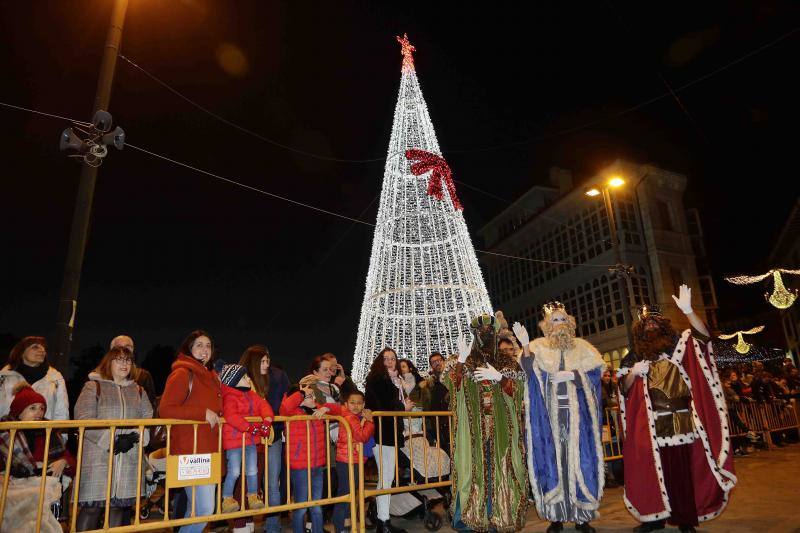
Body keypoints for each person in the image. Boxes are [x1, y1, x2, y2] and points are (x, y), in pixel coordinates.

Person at [618, 285, 736, 533]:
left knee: (681, 472)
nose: (651, 326)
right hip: (648, 427)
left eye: (655, 322)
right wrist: (632, 374)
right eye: (646, 323)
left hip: (682, 420)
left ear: (664, 325)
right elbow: (623, 389)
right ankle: (654, 517)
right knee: (650, 471)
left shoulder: (680, 346)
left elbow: (704, 337)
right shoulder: (633, 357)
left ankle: (684, 519)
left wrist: (689, 311)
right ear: (639, 329)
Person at [513, 302, 605, 533]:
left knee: (579, 463)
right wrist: (525, 346)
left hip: (579, 420)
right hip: (550, 421)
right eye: (554, 320)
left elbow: (595, 376)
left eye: (563, 319)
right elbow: (528, 373)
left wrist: (572, 375)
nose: (559, 324)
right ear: (546, 326)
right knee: (554, 463)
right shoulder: (538, 347)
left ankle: (582, 517)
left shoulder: (584, 348)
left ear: (570, 323)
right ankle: (556, 517)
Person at [443, 313, 529, 532]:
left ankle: (499, 514)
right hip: (474, 431)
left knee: (501, 468)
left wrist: (500, 378)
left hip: (501, 429)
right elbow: (453, 388)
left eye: (489, 331)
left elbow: (519, 391)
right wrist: (461, 362)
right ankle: (474, 516)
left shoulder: (506, 361)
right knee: (474, 469)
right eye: (480, 332)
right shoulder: (466, 360)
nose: (485, 335)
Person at [73, 346, 154, 530]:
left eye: (128, 360)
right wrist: (111, 440)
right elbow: (83, 417)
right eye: (119, 359)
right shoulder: (94, 386)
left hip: (128, 458)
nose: (124, 364)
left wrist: (135, 437)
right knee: (92, 509)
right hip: (98, 456)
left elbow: (147, 416)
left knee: (118, 508)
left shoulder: (138, 390)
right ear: (108, 362)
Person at [158, 330, 223, 533]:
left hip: (208, 449)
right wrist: (202, 413)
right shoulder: (183, 373)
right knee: (204, 509)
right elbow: (166, 409)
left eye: (208, 346)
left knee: (196, 510)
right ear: (189, 349)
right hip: (190, 450)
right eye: (199, 345)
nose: (204, 350)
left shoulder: (211, 376)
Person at [0, 383, 76, 532]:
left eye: (42, 408)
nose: (39, 413)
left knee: (41, 496)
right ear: (19, 412)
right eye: (32, 408)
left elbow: (72, 461)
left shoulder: (49, 432)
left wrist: (64, 462)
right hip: (12, 482)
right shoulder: (5, 432)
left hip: (40, 483)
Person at [239, 345, 289, 533]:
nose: (267, 364)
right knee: (247, 480)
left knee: (272, 483)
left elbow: (285, 401)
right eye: (262, 361)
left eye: (268, 360)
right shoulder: (242, 377)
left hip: (272, 436)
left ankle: (273, 526)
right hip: (249, 436)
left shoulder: (278, 376)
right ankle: (244, 523)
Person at [280, 384, 342, 533]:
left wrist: (325, 408)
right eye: (309, 396)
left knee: (317, 506)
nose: (313, 398)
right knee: (301, 507)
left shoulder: (316, 410)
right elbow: (285, 407)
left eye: (313, 395)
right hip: (300, 467)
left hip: (317, 465)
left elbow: (340, 410)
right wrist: (301, 394)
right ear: (299, 398)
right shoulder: (291, 413)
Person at [217, 361, 273, 514]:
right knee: (234, 470)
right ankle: (227, 498)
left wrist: (267, 420)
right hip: (234, 441)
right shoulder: (229, 397)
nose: (249, 379)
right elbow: (231, 416)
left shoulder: (251, 395)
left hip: (250, 440)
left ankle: (253, 496)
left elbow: (263, 405)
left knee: (252, 469)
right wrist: (249, 427)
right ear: (234, 381)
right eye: (244, 377)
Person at [364, 348, 410, 533]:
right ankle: (383, 521)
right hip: (383, 433)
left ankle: (384, 519)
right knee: (385, 478)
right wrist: (403, 406)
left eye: (393, 358)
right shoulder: (378, 380)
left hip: (391, 432)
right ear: (379, 361)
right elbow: (381, 404)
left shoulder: (396, 380)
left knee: (387, 477)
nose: (390, 362)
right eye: (386, 359)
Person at [333, 389, 375, 533]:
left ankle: (347, 526)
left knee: (349, 493)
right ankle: (340, 527)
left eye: (359, 403)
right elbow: (362, 436)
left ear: (363, 404)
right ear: (346, 403)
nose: (356, 406)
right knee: (346, 494)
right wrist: (370, 422)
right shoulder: (350, 417)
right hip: (347, 460)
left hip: (353, 459)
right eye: (352, 403)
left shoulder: (354, 416)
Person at [0, 337, 69, 421]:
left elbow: (62, 412)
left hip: (44, 432)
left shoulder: (56, 378)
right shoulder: (3, 377)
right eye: (35, 347)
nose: (42, 350)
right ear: (21, 352)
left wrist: (58, 433)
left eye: (43, 348)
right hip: (8, 432)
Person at [109, 335, 157, 409]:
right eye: (119, 347)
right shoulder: (97, 378)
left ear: (133, 350)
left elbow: (151, 406)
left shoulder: (143, 376)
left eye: (128, 347)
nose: (124, 350)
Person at [422, 352, 450, 452]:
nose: (437, 363)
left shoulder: (452, 377)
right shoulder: (431, 382)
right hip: (437, 425)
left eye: (439, 360)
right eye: (433, 362)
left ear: (444, 361)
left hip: (451, 422)